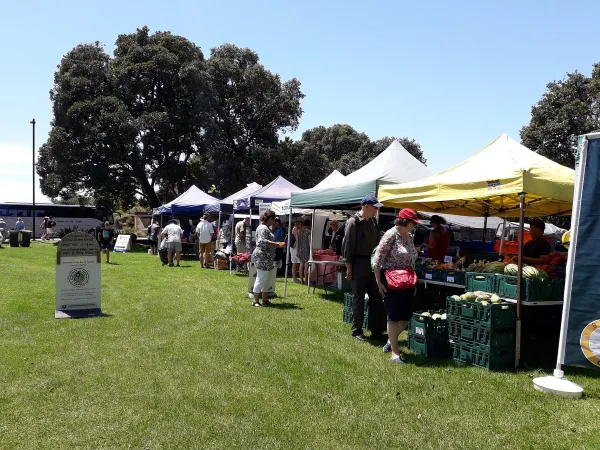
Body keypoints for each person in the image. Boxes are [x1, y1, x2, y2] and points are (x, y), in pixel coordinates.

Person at [373, 209, 421, 364]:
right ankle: (395, 352)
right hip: (392, 281)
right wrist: (378, 282)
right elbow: (377, 260)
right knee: (393, 316)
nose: (414, 226)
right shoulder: (390, 235)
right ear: (405, 222)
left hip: (407, 280)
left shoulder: (409, 237)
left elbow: (412, 257)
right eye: (413, 223)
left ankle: (390, 339)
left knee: (406, 317)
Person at [341, 195, 387, 342]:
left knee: (377, 297)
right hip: (357, 263)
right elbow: (347, 246)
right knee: (358, 298)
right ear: (366, 206)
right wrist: (349, 268)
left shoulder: (373, 222)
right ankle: (357, 331)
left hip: (372, 264)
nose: (376, 210)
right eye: (375, 207)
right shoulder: (353, 222)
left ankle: (376, 330)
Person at [251, 210, 286, 307]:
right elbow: (262, 241)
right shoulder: (263, 228)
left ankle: (265, 300)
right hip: (262, 257)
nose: (274, 221)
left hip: (267, 257)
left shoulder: (266, 227)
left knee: (266, 279)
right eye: (273, 219)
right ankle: (255, 301)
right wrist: (277, 244)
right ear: (269, 218)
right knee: (261, 278)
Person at [297, 218, 312, 285]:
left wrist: (297, 251)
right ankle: (306, 281)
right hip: (307, 250)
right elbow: (310, 242)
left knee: (301, 265)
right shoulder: (308, 232)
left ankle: (301, 280)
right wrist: (311, 250)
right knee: (306, 266)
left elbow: (297, 242)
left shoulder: (299, 232)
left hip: (300, 250)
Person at [290, 217, 303, 283]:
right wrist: (298, 250)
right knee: (295, 263)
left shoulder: (298, 229)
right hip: (295, 248)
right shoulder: (295, 229)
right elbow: (297, 239)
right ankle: (294, 278)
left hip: (296, 247)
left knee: (296, 263)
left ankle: (295, 278)